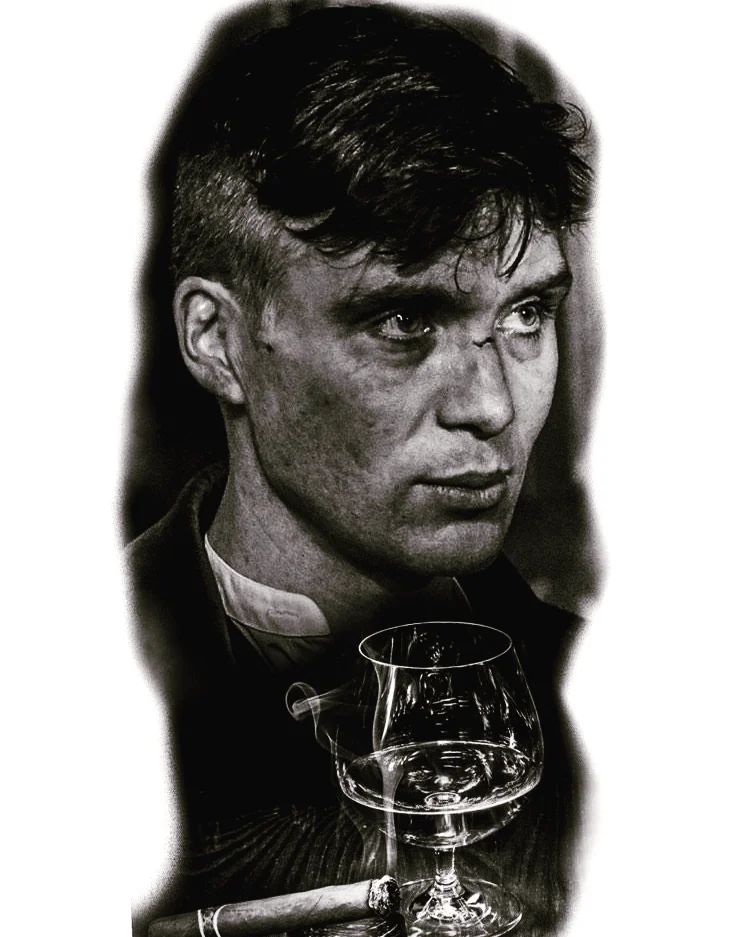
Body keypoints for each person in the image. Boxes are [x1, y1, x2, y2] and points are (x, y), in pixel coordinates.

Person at [126, 4, 593, 935]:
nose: (493, 406)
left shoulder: (622, 715)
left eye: (526, 314)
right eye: (404, 321)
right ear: (218, 342)